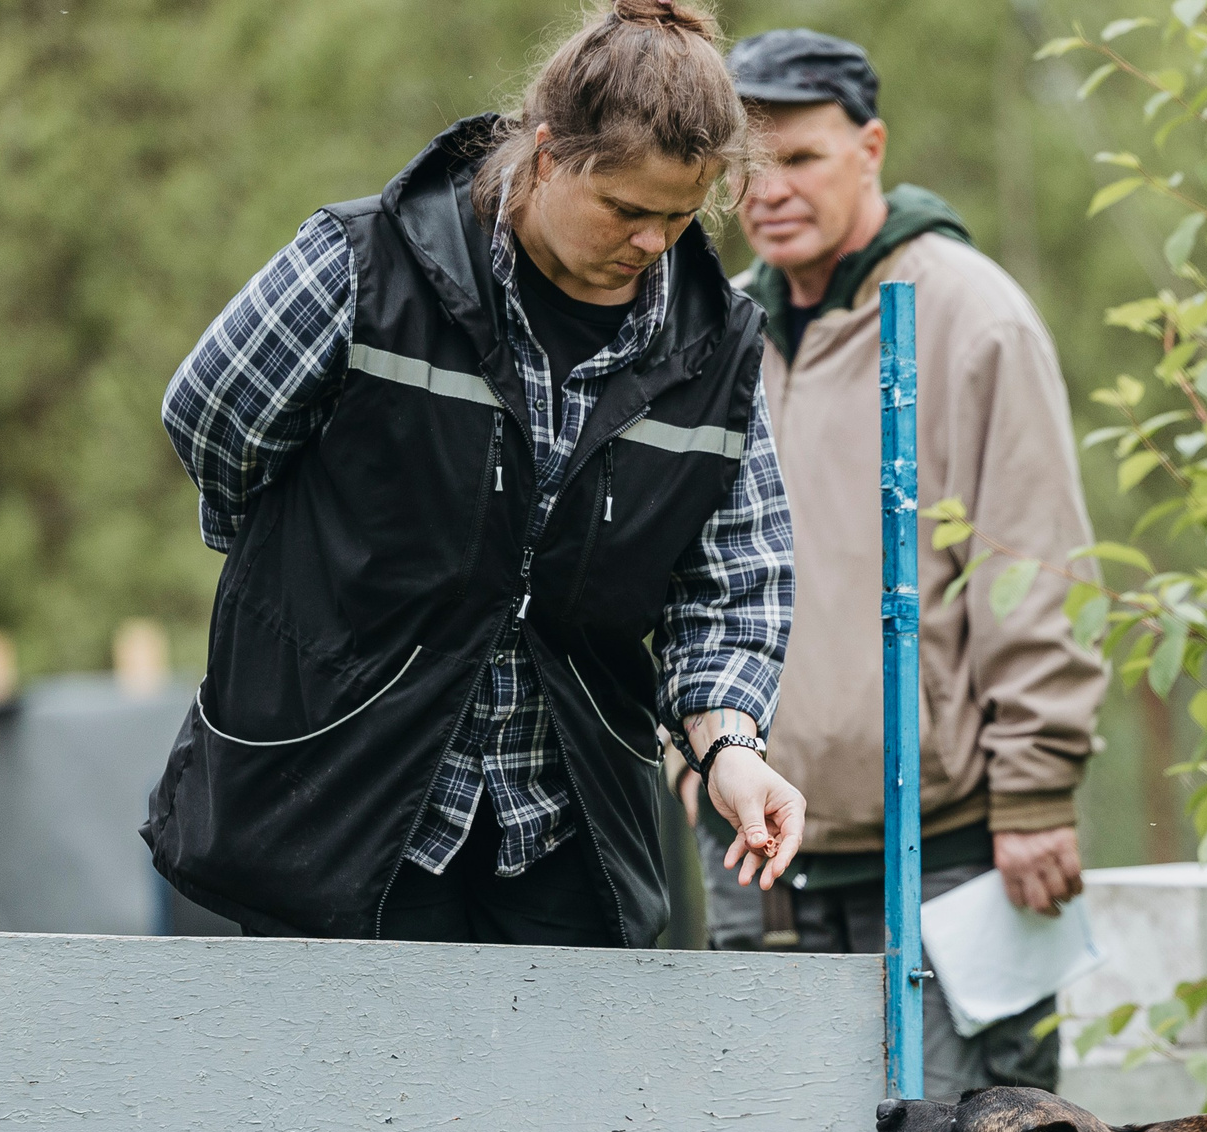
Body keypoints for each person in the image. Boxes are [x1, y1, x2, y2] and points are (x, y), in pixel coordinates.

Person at [147, 0, 804, 947]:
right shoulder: (358, 263)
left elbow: (735, 587)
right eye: (625, 208)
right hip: (337, 801)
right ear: (546, 156)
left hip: (567, 831)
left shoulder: (720, 349)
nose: (653, 242)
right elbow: (211, 420)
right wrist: (312, 575)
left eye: (679, 215)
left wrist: (730, 748)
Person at [694, 28, 1107, 1132]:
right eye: (748, 164)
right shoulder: (716, 324)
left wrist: (1039, 781)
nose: (771, 191)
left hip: (949, 847)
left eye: (800, 158)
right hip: (761, 839)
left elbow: (1036, 560)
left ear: (871, 149)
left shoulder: (969, 314)